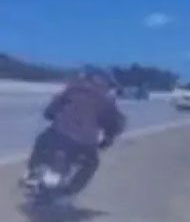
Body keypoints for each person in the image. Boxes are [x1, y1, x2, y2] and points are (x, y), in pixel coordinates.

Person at [22, 67, 127, 197]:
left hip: (58, 133)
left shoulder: (73, 89)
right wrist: (108, 139)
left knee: (41, 141)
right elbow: (114, 124)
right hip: (85, 143)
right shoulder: (107, 100)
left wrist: (50, 114)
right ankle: (69, 193)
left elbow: (52, 108)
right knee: (91, 164)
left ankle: (32, 173)